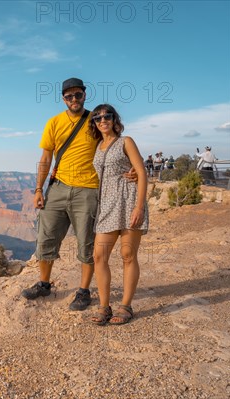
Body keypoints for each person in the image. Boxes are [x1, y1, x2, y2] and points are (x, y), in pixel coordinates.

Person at [22, 78, 136, 311]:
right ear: (63, 99)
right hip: (58, 187)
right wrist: (38, 189)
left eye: (78, 95)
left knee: (87, 243)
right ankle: (44, 283)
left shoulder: (94, 120)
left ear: (85, 95)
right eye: (69, 96)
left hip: (89, 190)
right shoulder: (54, 123)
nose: (74, 99)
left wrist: (131, 167)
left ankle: (83, 291)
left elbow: (112, 143)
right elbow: (45, 158)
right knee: (46, 238)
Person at [88, 104, 149, 325]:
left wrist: (139, 207)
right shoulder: (98, 145)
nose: (102, 120)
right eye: (97, 118)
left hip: (128, 201)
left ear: (115, 119)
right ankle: (104, 306)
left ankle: (126, 306)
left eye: (107, 116)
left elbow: (141, 172)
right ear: (94, 123)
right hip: (106, 205)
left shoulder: (126, 141)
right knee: (99, 256)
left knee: (128, 256)